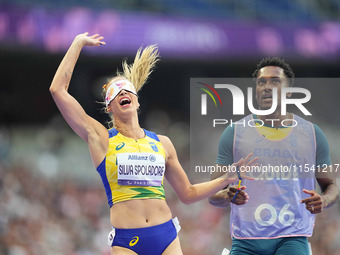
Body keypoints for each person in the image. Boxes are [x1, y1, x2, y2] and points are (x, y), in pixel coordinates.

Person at [49, 32, 258, 255]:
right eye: (116, 92)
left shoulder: (163, 144)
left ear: (137, 101)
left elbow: (187, 194)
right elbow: (57, 90)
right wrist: (78, 43)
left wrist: (227, 178)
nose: (123, 92)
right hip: (127, 241)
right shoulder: (101, 138)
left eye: (128, 89)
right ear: (109, 107)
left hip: (166, 237)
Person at [209, 57, 339, 255]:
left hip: (292, 238)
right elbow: (212, 194)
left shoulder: (312, 134)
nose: (267, 87)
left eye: (275, 81)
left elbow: (331, 186)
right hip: (246, 242)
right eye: (262, 82)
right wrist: (227, 195)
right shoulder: (234, 133)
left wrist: (324, 200)